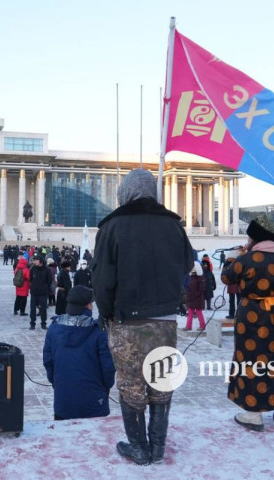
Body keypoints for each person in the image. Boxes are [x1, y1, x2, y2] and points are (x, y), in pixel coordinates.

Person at [91, 168, 194, 465]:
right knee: (161, 381)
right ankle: (158, 448)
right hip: (165, 321)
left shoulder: (113, 226)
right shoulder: (174, 226)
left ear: (126, 192)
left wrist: (107, 313)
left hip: (128, 320)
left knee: (132, 383)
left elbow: (102, 279)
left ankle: (139, 448)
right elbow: (187, 263)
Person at [221, 213, 274, 432]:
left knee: (251, 360)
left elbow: (227, 278)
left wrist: (231, 258)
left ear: (254, 240)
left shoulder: (245, 260)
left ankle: (253, 414)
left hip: (252, 317)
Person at [43, 285, 116, 420]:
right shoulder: (98, 330)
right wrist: (105, 388)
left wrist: (56, 383)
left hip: (63, 397)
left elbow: (48, 362)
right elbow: (108, 366)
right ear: (87, 306)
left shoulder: (53, 329)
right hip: (94, 399)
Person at [29, 254, 52, 330]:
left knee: (43, 309)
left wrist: (44, 288)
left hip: (43, 293)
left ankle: (43, 323)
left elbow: (49, 281)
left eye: (36, 260)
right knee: (32, 309)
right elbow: (30, 279)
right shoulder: (33, 269)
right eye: (34, 260)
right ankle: (32, 323)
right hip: (34, 293)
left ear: (41, 261)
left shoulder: (47, 270)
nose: (34, 261)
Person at [183, 261, 206, 331]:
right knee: (190, 312)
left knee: (199, 312)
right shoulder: (191, 277)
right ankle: (188, 326)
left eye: (193, 268)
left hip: (197, 299)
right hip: (191, 298)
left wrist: (196, 295)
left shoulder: (200, 278)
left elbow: (202, 289)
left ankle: (202, 326)